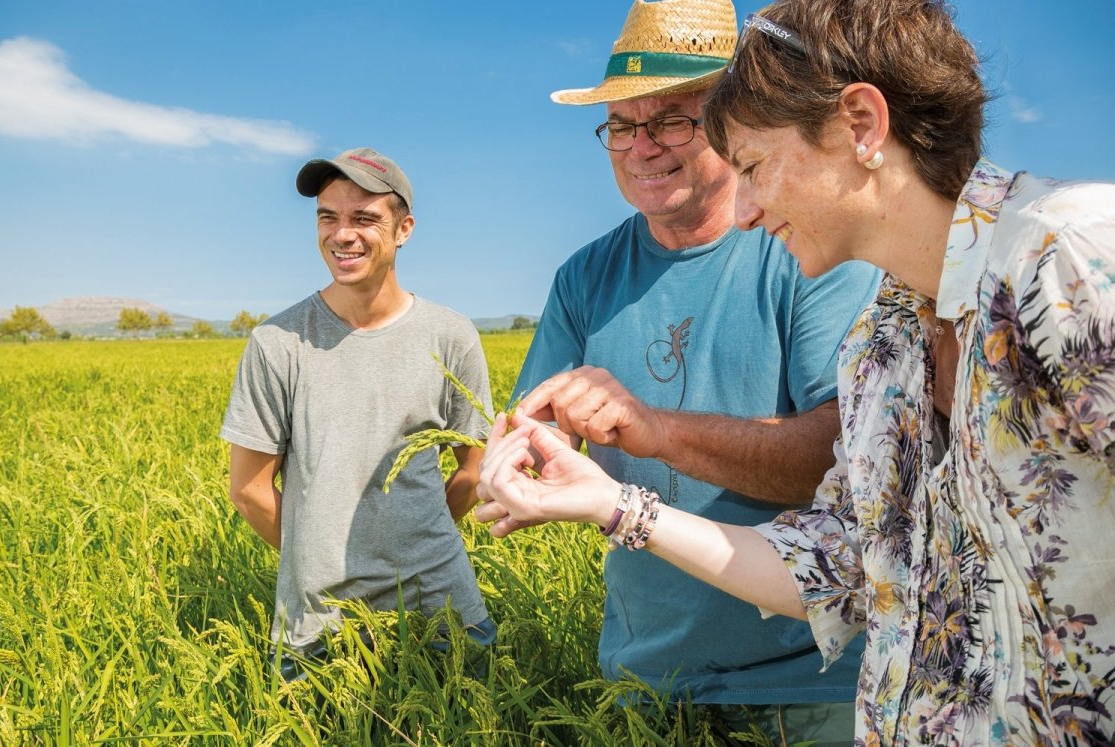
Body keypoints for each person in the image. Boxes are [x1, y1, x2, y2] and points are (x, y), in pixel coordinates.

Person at [479, 0, 1115, 743]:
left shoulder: (1070, 261)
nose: (743, 210)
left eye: (751, 165)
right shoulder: (885, 339)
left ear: (861, 125)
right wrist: (613, 503)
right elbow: (836, 562)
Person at [480, 0, 880, 741]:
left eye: (671, 120)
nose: (643, 147)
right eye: (623, 126)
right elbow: (535, 422)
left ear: (731, 120)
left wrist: (657, 430)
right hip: (644, 682)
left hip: (810, 681)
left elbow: (843, 454)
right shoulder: (584, 276)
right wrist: (528, 455)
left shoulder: (807, 248)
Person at [220, 147, 496, 681]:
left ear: (404, 229)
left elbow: (473, 470)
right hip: (318, 623)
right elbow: (249, 490)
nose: (341, 235)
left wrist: (415, 538)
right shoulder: (277, 342)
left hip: (441, 605)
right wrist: (323, 559)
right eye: (328, 217)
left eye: (364, 218)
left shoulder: (451, 335)